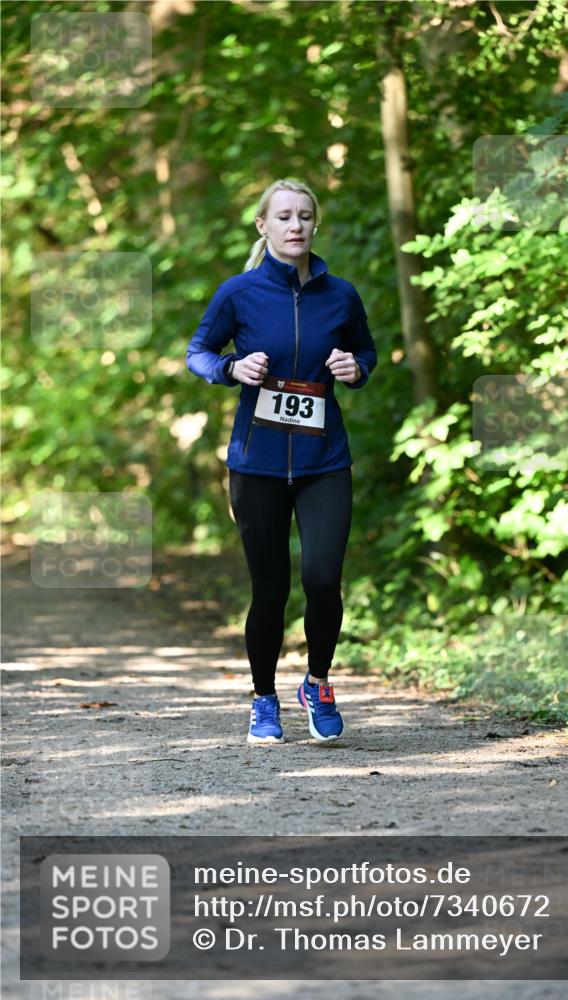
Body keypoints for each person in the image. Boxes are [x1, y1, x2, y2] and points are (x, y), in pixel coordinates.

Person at [185, 178, 377, 745]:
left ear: (316, 226)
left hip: (324, 462)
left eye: (305, 217)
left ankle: (317, 684)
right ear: (263, 226)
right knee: (269, 590)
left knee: (322, 579)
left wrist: (356, 369)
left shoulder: (340, 295)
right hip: (257, 464)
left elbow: (365, 350)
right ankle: (263, 700)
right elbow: (198, 352)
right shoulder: (239, 293)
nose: (296, 226)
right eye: (284, 217)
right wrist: (229, 370)